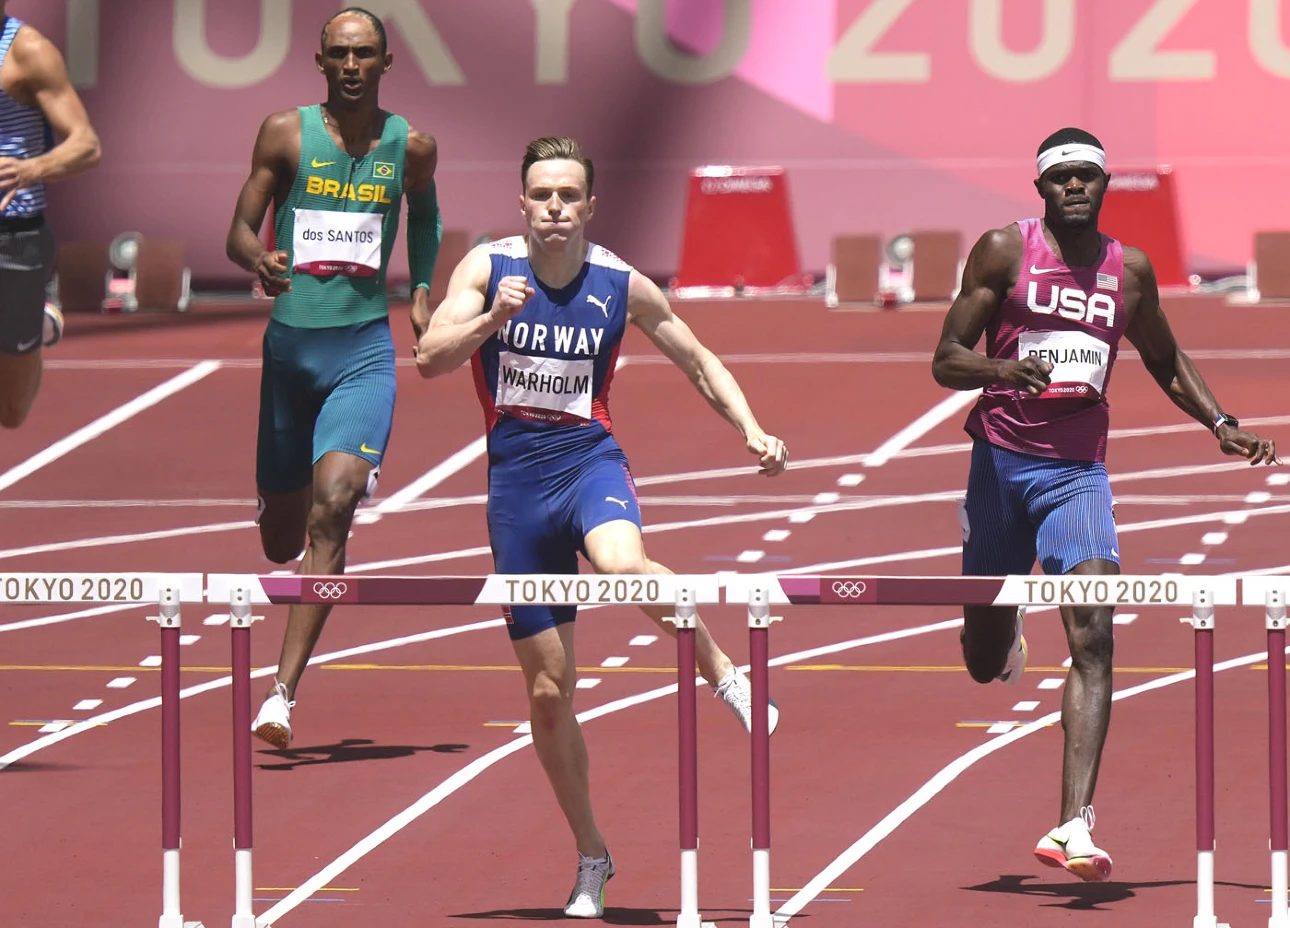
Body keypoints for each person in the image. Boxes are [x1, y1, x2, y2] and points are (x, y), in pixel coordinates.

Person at [416, 136, 788, 918]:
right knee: (550, 691)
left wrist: (750, 428)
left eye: (567, 196)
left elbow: (697, 357)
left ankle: (724, 673)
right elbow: (428, 355)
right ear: (522, 204)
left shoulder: (621, 283)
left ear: (589, 205)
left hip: (589, 463)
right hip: (516, 488)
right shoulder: (488, 269)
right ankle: (593, 854)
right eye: (541, 195)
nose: (554, 207)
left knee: (623, 563)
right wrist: (490, 321)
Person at [932, 127, 1279, 883]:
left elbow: (1163, 357)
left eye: (1089, 177)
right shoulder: (1003, 250)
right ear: (1041, 190)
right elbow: (944, 359)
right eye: (1063, 179)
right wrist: (1000, 366)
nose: (1077, 189)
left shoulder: (1131, 273)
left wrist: (1221, 423)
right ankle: (1005, 634)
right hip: (998, 465)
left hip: (1077, 475)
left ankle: (1072, 825)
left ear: (1105, 185)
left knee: (1094, 633)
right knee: (981, 660)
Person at [225, 7, 442, 749]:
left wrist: (418, 290)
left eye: (366, 54)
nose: (352, 65)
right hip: (290, 358)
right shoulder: (285, 133)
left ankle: (282, 693)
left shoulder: (411, 145)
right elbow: (237, 230)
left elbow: (427, 217)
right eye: (340, 54)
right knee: (281, 541)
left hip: (363, 352)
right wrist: (259, 259)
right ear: (320, 61)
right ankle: (276, 496)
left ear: (387, 63)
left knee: (335, 508)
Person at [0, 5, 99, 428]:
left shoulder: (29, 52)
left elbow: (86, 145)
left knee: (11, 412)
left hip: (14, 237)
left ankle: (34, 319)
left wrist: (30, 169)